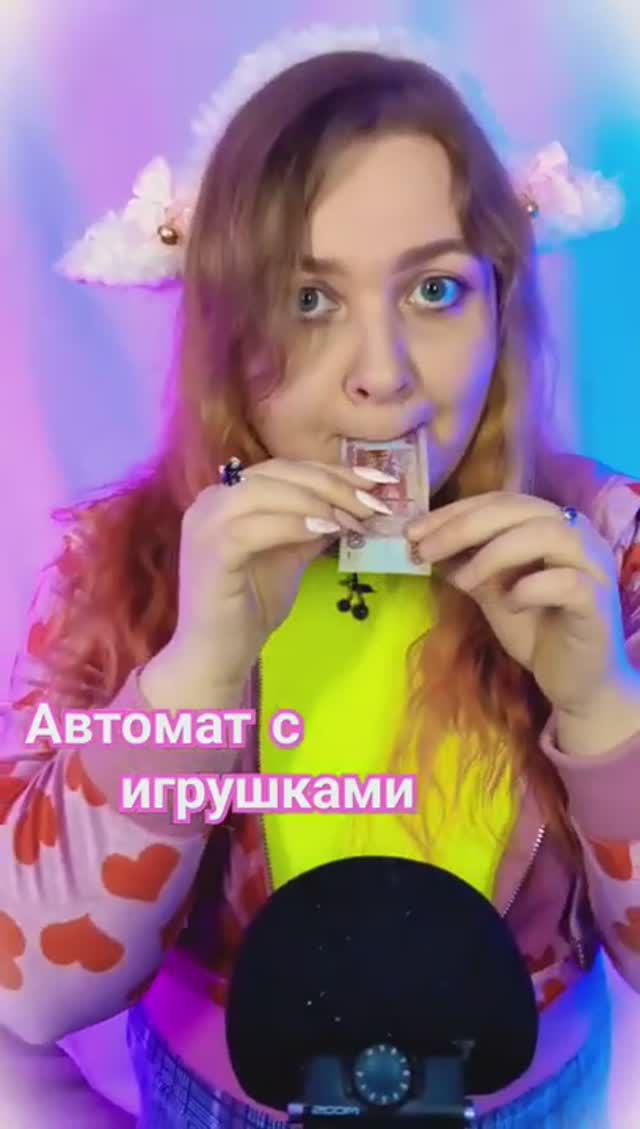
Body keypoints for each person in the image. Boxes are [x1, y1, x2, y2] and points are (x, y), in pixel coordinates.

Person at [2, 24, 640, 1129]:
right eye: (308, 299)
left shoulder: (609, 546)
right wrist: (196, 674)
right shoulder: (118, 559)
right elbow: (32, 982)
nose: (381, 377)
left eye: (434, 290)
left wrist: (601, 708)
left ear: (501, 303)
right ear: (222, 328)